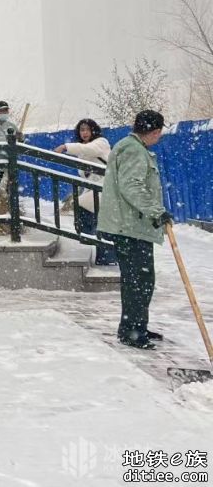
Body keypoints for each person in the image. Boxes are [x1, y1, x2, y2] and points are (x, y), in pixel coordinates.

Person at [96, 110, 173, 350]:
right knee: (139, 280)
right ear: (155, 132)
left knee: (138, 279)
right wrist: (156, 211)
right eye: (159, 134)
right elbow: (132, 186)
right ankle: (132, 331)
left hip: (130, 225)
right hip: (129, 226)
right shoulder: (134, 150)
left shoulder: (129, 146)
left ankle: (136, 326)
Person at [54, 118, 115, 265]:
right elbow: (87, 176)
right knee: (101, 223)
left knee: (100, 221)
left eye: (88, 129)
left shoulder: (101, 142)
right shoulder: (82, 149)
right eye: (82, 130)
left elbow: (90, 150)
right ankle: (104, 255)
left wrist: (65, 147)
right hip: (95, 190)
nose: (85, 133)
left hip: (107, 188)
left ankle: (106, 254)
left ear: (94, 130)